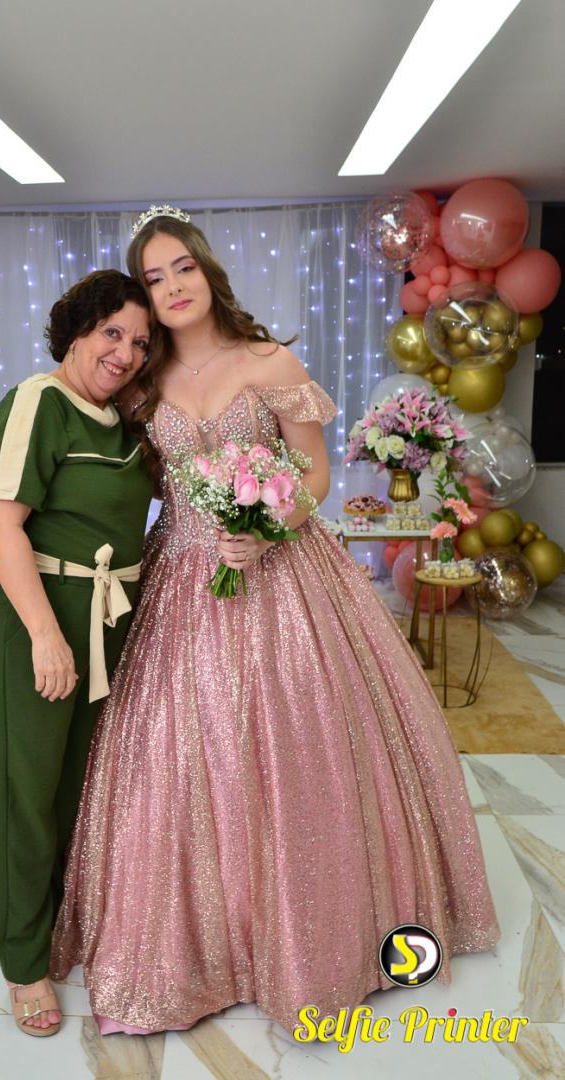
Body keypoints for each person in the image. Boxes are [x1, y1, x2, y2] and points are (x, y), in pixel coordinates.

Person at [50, 209, 500, 1035]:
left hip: (284, 572)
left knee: (300, 742)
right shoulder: (142, 381)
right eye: (153, 278)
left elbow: (314, 472)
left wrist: (266, 528)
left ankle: (311, 936)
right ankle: (196, 948)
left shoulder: (269, 361)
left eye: (182, 268)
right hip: (181, 577)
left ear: (206, 270)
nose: (171, 287)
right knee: (184, 753)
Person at [0, 269, 154, 1037]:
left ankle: (58, 927)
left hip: (102, 620)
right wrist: (47, 635)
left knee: (75, 789)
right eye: (111, 333)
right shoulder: (36, 402)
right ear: (76, 331)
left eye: (139, 342)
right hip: (31, 617)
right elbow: (1, 523)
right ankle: (22, 962)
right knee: (25, 792)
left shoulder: (121, 421)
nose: (124, 352)